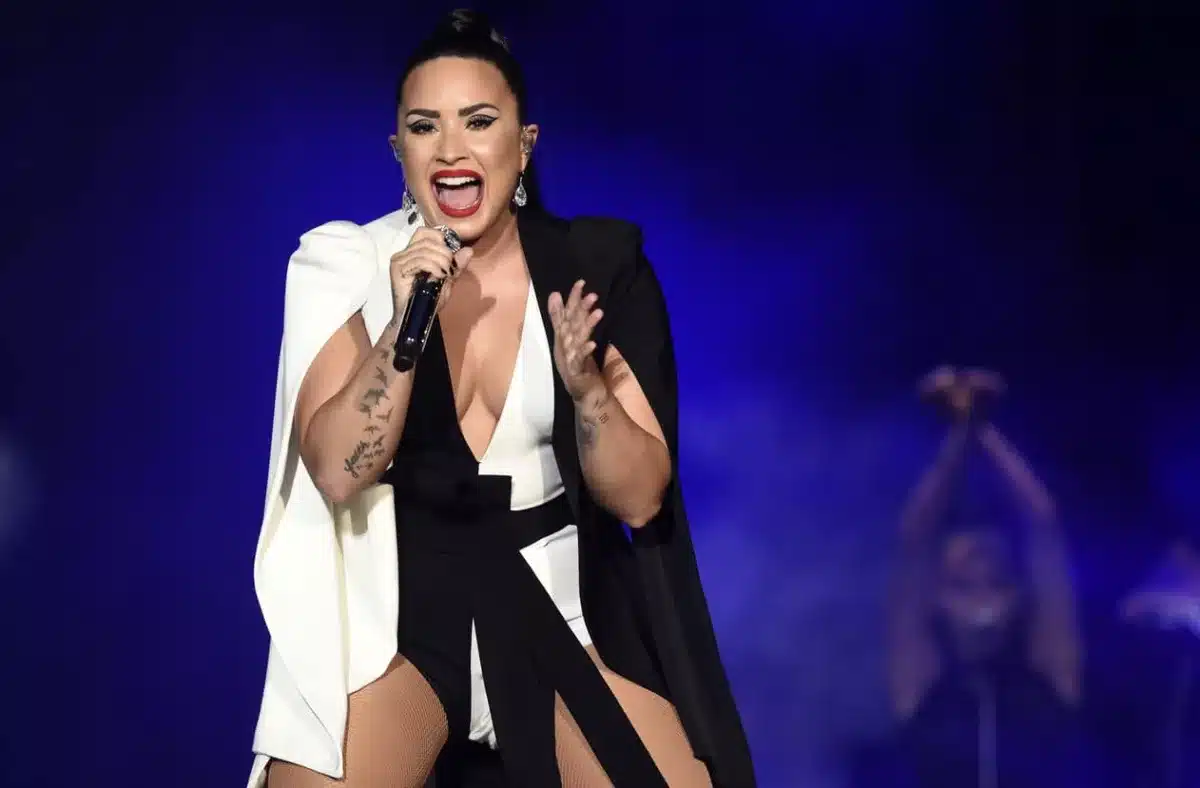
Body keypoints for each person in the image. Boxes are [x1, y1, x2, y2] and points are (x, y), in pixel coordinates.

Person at [246, 10, 755, 788]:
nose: (451, 149)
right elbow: (339, 472)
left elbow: (640, 498)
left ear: (523, 145)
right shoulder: (346, 262)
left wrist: (588, 393)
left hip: (562, 606)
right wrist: (402, 326)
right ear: (399, 151)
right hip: (401, 617)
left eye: (478, 122)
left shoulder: (594, 265)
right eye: (425, 127)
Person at [886, 367, 1086, 788]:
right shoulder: (923, 681)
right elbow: (915, 540)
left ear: (1015, 594)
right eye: (963, 583)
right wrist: (962, 434)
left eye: (994, 578)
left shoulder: (1047, 674)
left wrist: (982, 428)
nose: (981, 593)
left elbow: (1043, 526)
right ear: (939, 597)